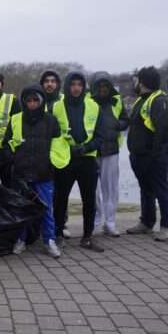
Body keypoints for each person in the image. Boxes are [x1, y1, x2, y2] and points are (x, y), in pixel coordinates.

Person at [5, 85, 67, 258]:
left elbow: (58, 146)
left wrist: (50, 164)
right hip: (21, 174)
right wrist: (14, 160)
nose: (32, 103)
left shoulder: (51, 120)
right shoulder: (15, 119)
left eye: (35, 100)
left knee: (47, 209)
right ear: (24, 102)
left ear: (41, 102)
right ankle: (21, 240)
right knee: (22, 209)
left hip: (44, 173)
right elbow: (7, 144)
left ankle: (49, 241)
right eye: (29, 100)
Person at [53, 72, 105, 252]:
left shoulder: (93, 106)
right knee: (60, 199)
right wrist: (68, 150)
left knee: (89, 200)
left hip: (87, 159)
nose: (76, 88)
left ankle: (87, 237)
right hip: (65, 160)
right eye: (73, 84)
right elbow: (52, 135)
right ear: (67, 86)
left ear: (83, 87)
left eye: (79, 85)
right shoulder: (56, 107)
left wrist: (86, 148)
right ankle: (58, 234)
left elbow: (100, 136)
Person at [126, 66, 168, 242]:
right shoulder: (142, 100)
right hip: (139, 155)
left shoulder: (159, 101)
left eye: (136, 80)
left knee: (161, 189)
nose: (134, 83)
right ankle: (147, 222)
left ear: (142, 82)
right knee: (146, 189)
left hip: (155, 156)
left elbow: (163, 130)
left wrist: (155, 155)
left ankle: (167, 227)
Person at [90, 72, 129, 237]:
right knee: (92, 190)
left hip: (111, 150)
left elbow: (126, 120)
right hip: (92, 151)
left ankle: (110, 222)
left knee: (111, 189)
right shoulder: (87, 101)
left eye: (105, 85)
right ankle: (95, 221)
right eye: (99, 86)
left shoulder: (117, 100)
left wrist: (117, 124)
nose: (103, 89)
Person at [40, 69, 71, 239]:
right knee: (43, 191)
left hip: (60, 152)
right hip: (42, 152)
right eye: (46, 81)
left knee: (60, 191)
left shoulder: (64, 101)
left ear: (58, 84)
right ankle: (42, 225)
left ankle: (61, 224)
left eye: (53, 81)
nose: (49, 84)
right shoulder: (37, 100)